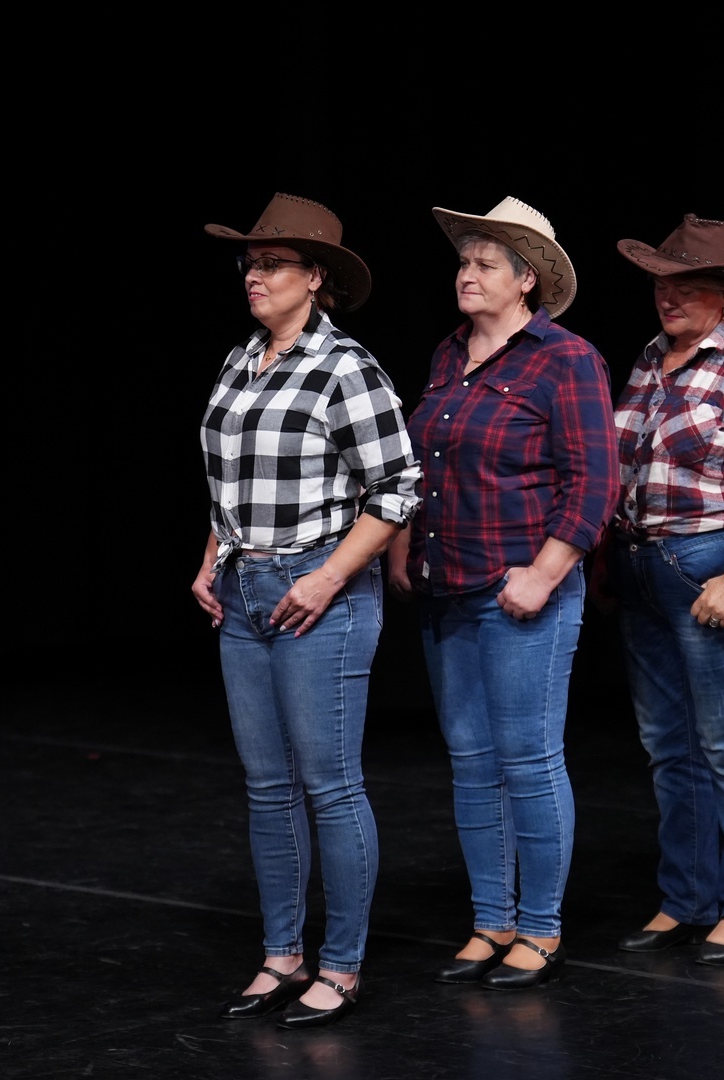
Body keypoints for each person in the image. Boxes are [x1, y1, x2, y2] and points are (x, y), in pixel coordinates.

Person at [193, 193, 421, 1028]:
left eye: (272, 265)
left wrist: (328, 579)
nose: (254, 277)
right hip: (245, 587)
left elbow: (398, 488)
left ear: (316, 277)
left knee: (330, 785)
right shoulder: (239, 360)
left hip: (319, 591)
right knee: (267, 787)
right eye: (249, 264)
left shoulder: (346, 368)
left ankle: (343, 965)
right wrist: (212, 557)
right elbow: (230, 479)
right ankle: (281, 954)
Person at [387, 196, 617, 990]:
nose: (467, 274)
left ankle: (541, 928)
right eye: (464, 261)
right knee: (471, 761)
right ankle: (492, 919)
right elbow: (422, 467)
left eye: (486, 264)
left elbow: (594, 481)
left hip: (522, 591)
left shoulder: (566, 359)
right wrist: (403, 546)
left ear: (527, 281)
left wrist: (546, 573)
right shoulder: (447, 354)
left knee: (528, 758)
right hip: (447, 587)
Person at [604, 214, 724, 965]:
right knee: (668, 744)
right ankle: (685, 897)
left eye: (688, 285)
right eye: (662, 283)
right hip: (642, 566)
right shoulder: (650, 361)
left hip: (711, 560)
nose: (669, 296)